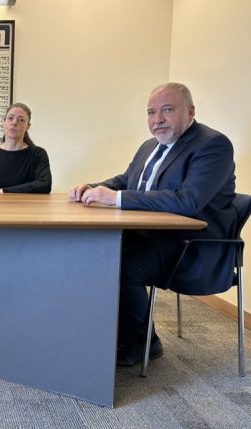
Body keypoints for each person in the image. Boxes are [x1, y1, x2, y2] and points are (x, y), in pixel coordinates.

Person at [68, 82, 237, 367]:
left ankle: (144, 342)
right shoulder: (150, 145)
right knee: (94, 254)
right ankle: (112, 332)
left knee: (123, 267)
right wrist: (93, 187)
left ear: (190, 111)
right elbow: (126, 180)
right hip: (150, 235)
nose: (157, 119)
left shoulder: (212, 145)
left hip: (189, 244)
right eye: (151, 112)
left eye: (167, 110)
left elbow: (188, 201)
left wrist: (115, 198)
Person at [0, 103, 51, 193]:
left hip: (27, 203)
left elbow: (45, 185)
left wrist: (6, 191)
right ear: (4, 122)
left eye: (21, 120)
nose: (14, 122)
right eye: (10, 118)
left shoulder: (38, 154)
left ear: (27, 127)